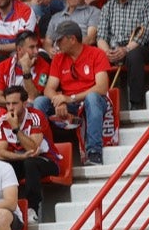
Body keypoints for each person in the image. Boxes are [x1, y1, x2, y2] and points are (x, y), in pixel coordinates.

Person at [40, 21, 111, 167]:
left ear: (72, 39)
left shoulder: (96, 53)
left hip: (93, 101)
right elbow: (48, 88)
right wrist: (60, 101)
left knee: (92, 98)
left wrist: (70, 98)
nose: (56, 44)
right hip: (69, 104)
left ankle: (94, 152)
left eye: (60, 40)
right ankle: (43, 151)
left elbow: (102, 88)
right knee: (40, 102)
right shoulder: (59, 58)